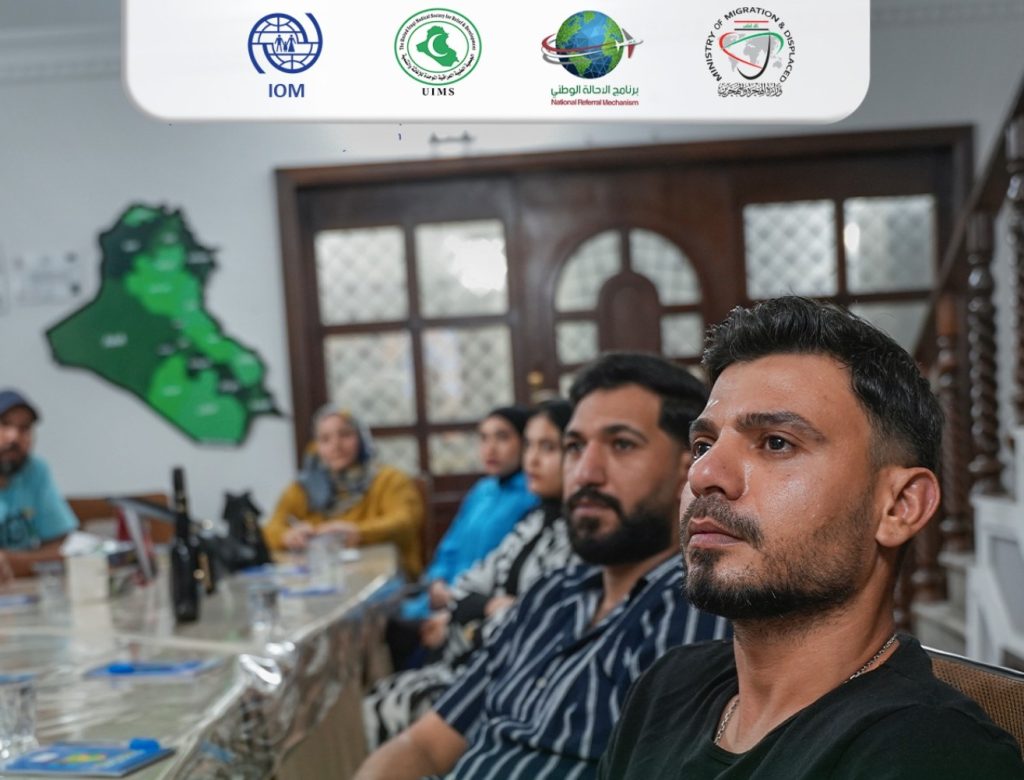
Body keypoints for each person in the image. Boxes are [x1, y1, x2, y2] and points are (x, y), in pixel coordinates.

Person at [598, 297, 1024, 779]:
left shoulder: (930, 753)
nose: (703, 474)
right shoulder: (666, 686)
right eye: (703, 445)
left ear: (899, 506)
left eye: (777, 442)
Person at [355, 353, 729, 780]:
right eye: (574, 447)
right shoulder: (551, 594)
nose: (585, 473)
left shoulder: (689, 605)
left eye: (622, 444)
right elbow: (424, 744)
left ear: (689, 469)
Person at [364, 399, 578, 749]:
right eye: (530, 446)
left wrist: (472, 614)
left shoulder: (567, 527)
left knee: (385, 699)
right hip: (462, 632)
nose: (533, 460)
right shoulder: (522, 513)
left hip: (507, 671)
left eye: (548, 447)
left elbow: (535, 623)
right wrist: (466, 595)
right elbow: (464, 570)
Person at [401, 405, 538, 621]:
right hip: (438, 598)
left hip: (479, 608)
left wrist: (456, 598)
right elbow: (450, 546)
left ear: (524, 443)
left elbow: (510, 569)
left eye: (502, 437)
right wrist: (437, 581)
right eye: (484, 438)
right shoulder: (482, 490)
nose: (490, 449)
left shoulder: (531, 496)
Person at [263, 404, 425, 578]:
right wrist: (287, 536)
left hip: (386, 578)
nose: (336, 446)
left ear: (362, 439)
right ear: (316, 447)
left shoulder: (389, 480)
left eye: (345, 435)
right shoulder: (304, 488)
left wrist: (358, 533)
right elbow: (270, 530)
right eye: (325, 439)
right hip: (323, 579)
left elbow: (405, 522)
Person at [0, 389, 78, 584]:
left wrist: (12, 561)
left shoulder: (35, 470)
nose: (13, 437)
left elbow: (61, 547)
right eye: (4, 424)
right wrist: (34, 561)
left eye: (24, 428)